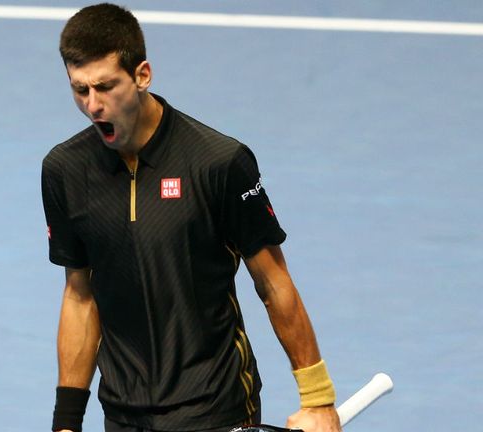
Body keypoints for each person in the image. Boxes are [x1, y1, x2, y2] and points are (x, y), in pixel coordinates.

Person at [41, 4, 342, 432]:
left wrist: (317, 398)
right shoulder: (64, 171)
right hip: (123, 412)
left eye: (106, 87)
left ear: (142, 75)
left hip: (215, 406)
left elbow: (273, 282)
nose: (93, 105)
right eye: (80, 90)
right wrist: (66, 420)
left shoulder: (218, 163)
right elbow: (79, 295)